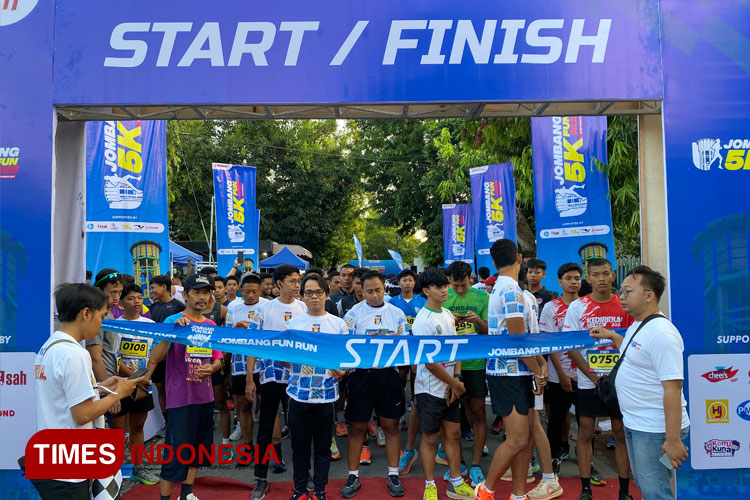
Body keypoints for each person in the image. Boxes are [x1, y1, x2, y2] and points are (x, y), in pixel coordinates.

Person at [589, 266, 689, 500]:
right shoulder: (640, 324)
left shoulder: (662, 334)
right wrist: (612, 336)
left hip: (654, 429)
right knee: (648, 486)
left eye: (627, 291)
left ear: (649, 295)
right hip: (637, 423)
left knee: (655, 491)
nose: (621, 296)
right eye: (621, 291)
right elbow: (634, 352)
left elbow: (673, 389)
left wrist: (672, 440)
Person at [32, 283, 140, 500]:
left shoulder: (50, 347)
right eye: (101, 316)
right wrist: (119, 393)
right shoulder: (74, 353)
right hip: (68, 469)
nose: (102, 323)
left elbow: (62, 397)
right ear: (85, 313)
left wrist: (100, 386)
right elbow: (81, 414)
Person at [475, 239, 546, 500]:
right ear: (520, 258)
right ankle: (486, 489)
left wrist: (539, 364)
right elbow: (518, 339)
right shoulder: (510, 292)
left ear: (493, 263)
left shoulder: (507, 289)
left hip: (518, 372)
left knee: (525, 439)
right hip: (508, 373)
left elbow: (526, 336)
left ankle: (518, 494)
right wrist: (538, 368)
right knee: (516, 439)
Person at [145, 274, 224, 500]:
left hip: (205, 397)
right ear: (186, 294)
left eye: (206, 292)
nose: (202, 297)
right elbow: (155, 358)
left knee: (197, 451)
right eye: (197, 292)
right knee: (175, 455)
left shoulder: (210, 325)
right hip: (180, 399)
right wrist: (173, 334)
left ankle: (187, 494)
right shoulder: (172, 322)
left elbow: (217, 358)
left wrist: (213, 368)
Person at [563, 258, 635, 500]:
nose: (602, 279)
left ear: (613, 276)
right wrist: (593, 377)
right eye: (596, 274)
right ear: (588, 278)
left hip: (620, 382)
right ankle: (585, 489)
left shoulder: (625, 305)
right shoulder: (577, 307)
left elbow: (633, 344)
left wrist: (616, 377)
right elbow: (571, 346)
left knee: (620, 433)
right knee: (586, 432)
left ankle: (624, 492)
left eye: (606, 274)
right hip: (588, 381)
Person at [341, 271, 408, 499]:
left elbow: (406, 346)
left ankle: (393, 474)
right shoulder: (353, 315)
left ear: (385, 288)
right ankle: (353, 475)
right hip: (361, 377)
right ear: (361, 290)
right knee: (357, 427)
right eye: (368, 291)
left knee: (390, 426)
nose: (374, 295)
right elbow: (344, 345)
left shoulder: (397, 314)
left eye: (378, 290)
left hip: (388, 376)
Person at [412, 268, 475, 500]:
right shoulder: (422, 320)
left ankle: (456, 481)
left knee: (454, 434)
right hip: (430, 389)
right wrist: (454, 384)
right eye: (440, 287)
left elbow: (456, 349)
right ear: (427, 290)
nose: (445, 290)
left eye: (445, 286)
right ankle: (430, 485)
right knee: (430, 438)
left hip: (450, 386)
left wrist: (457, 379)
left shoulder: (448, 314)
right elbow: (430, 364)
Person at [246, 264, 308, 500]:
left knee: (299, 429)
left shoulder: (303, 307)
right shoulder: (264, 309)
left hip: (298, 377)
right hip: (271, 376)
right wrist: (250, 378)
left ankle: (302, 479)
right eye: (292, 280)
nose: (297, 285)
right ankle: (260, 479)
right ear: (278, 284)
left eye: (298, 280)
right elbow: (252, 343)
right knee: (265, 428)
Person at [285, 274, 348, 500]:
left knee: (323, 449)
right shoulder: (292, 325)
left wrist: (343, 372)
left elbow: (345, 360)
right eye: (308, 292)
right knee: (299, 449)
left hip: (327, 397)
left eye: (318, 292)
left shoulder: (338, 325)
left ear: (326, 294)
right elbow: (284, 359)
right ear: (302, 296)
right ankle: (300, 489)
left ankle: (320, 490)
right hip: (298, 395)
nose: (314, 297)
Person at [443, 261, 489, 488]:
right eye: (455, 285)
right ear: (448, 280)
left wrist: (478, 321)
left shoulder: (482, 298)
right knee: (451, 417)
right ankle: (456, 461)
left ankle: (477, 463)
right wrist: (449, 320)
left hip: (475, 364)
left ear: (471, 278)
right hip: (448, 366)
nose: (460, 290)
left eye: (464, 285)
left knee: (478, 412)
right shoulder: (442, 296)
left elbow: (490, 331)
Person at [519, 286, 562, 500]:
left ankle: (548, 477)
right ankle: (531, 470)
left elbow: (526, 340)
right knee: (528, 425)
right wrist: (541, 365)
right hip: (528, 369)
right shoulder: (523, 297)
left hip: (528, 371)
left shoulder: (521, 298)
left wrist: (539, 369)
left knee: (534, 424)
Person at [116, 283, 161, 485]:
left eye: (139, 298)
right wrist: (136, 380)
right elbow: (115, 359)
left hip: (144, 384)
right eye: (131, 298)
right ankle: (112, 473)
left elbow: (154, 357)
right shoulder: (114, 325)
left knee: (138, 427)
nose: (136, 302)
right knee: (116, 432)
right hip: (120, 385)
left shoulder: (149, 324)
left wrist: (144, 382)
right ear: (122, 302)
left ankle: (138, 468)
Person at [539, 263, 582, 473]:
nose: (573, 282)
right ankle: (552, 461)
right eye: (569, 278)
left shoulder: (586, 306)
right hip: (558, 375)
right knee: (556, 420)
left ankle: (587, 464)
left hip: (585, 376)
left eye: (577, 278)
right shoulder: (551, 307)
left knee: (586, 424)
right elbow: (550, 343)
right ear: (559, 282)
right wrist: (562, 374)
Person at [226, 273, 269, 460]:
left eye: (254, 291)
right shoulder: (233, 308)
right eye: (247, 291)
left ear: (260, 291)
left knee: (267, 408)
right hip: (239, 365)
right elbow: (226, 337)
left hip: (264, 365)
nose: (251, 295)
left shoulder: (268, 307)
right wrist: (235, 331)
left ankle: (268, 448)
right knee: (243, 406)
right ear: (240, 290)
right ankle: (247, 445)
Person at [390, 269, 427, 476]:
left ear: (414, 282)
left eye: (410, 280)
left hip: (418, 349)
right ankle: (401, 412)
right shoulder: (393, 302)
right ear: (399, 282)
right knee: (399, 380)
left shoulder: (422, 300)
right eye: (404, 279)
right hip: (400, 349)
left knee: (417, 381)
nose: (407, 283)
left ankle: (415, 407)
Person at [149, 274, 186, 424]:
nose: (151, 291)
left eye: (153, 288)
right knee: (160, 388)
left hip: (175, 357)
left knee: (175, 387)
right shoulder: (151, 308)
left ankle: (178, 417)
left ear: (164, 287)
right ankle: (167, 421)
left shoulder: (179, 307)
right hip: (157, 357)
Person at [87, 270, 123, 391]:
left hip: (110, 381)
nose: (117, 297)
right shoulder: (97, 317)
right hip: (100, 385)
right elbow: (95, 358)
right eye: (112, 292)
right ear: (99, 291)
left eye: (120, 292)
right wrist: (107, 390)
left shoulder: (110, 314)